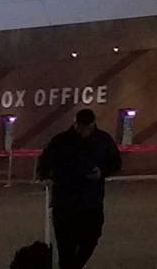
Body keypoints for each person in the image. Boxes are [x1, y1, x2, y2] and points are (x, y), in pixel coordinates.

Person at [36, 108, 122, 269]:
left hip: (92, 201)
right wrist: (45, 176)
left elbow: (116, 162)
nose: (84, 132)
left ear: (93, 125)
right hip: (64, 202)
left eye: (87, 128)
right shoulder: (60, 141)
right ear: (75, 124)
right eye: (80, 128)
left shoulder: (103, 140)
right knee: (65, 247)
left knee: (91, 238)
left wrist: (102, 171)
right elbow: (45, 160)